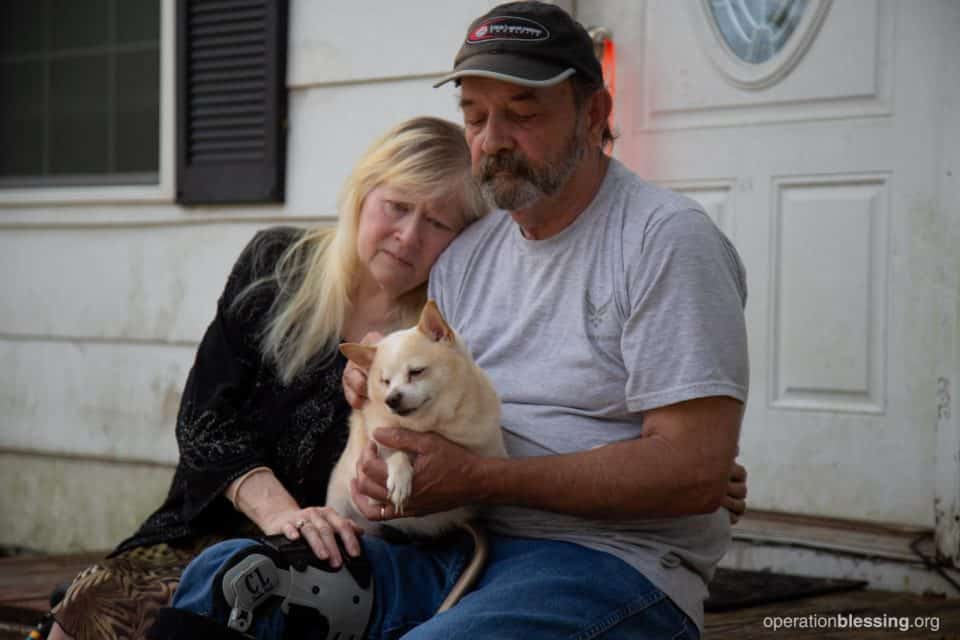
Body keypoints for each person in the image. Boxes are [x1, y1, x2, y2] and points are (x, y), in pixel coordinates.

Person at [162, 2, 750, 639]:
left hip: (606, 564)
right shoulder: (466, 255)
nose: (492, 138)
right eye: (475, 116)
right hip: (451, 546)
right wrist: (377, 437)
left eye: (522, 114)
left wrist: (483, 477)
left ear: (596, 115)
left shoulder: (664, 241)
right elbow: (408, 393)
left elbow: (693, 471)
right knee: (229, 583)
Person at [45, 116, 489, 640]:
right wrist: (283, 514)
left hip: (333, 556)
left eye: (438, 223)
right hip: (209, 524)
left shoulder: (435, 341)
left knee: (214, 605)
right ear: (364, 193)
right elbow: (203, 420)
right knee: (96, 598)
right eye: (397, 206)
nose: (409, 235)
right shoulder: (275, 263)